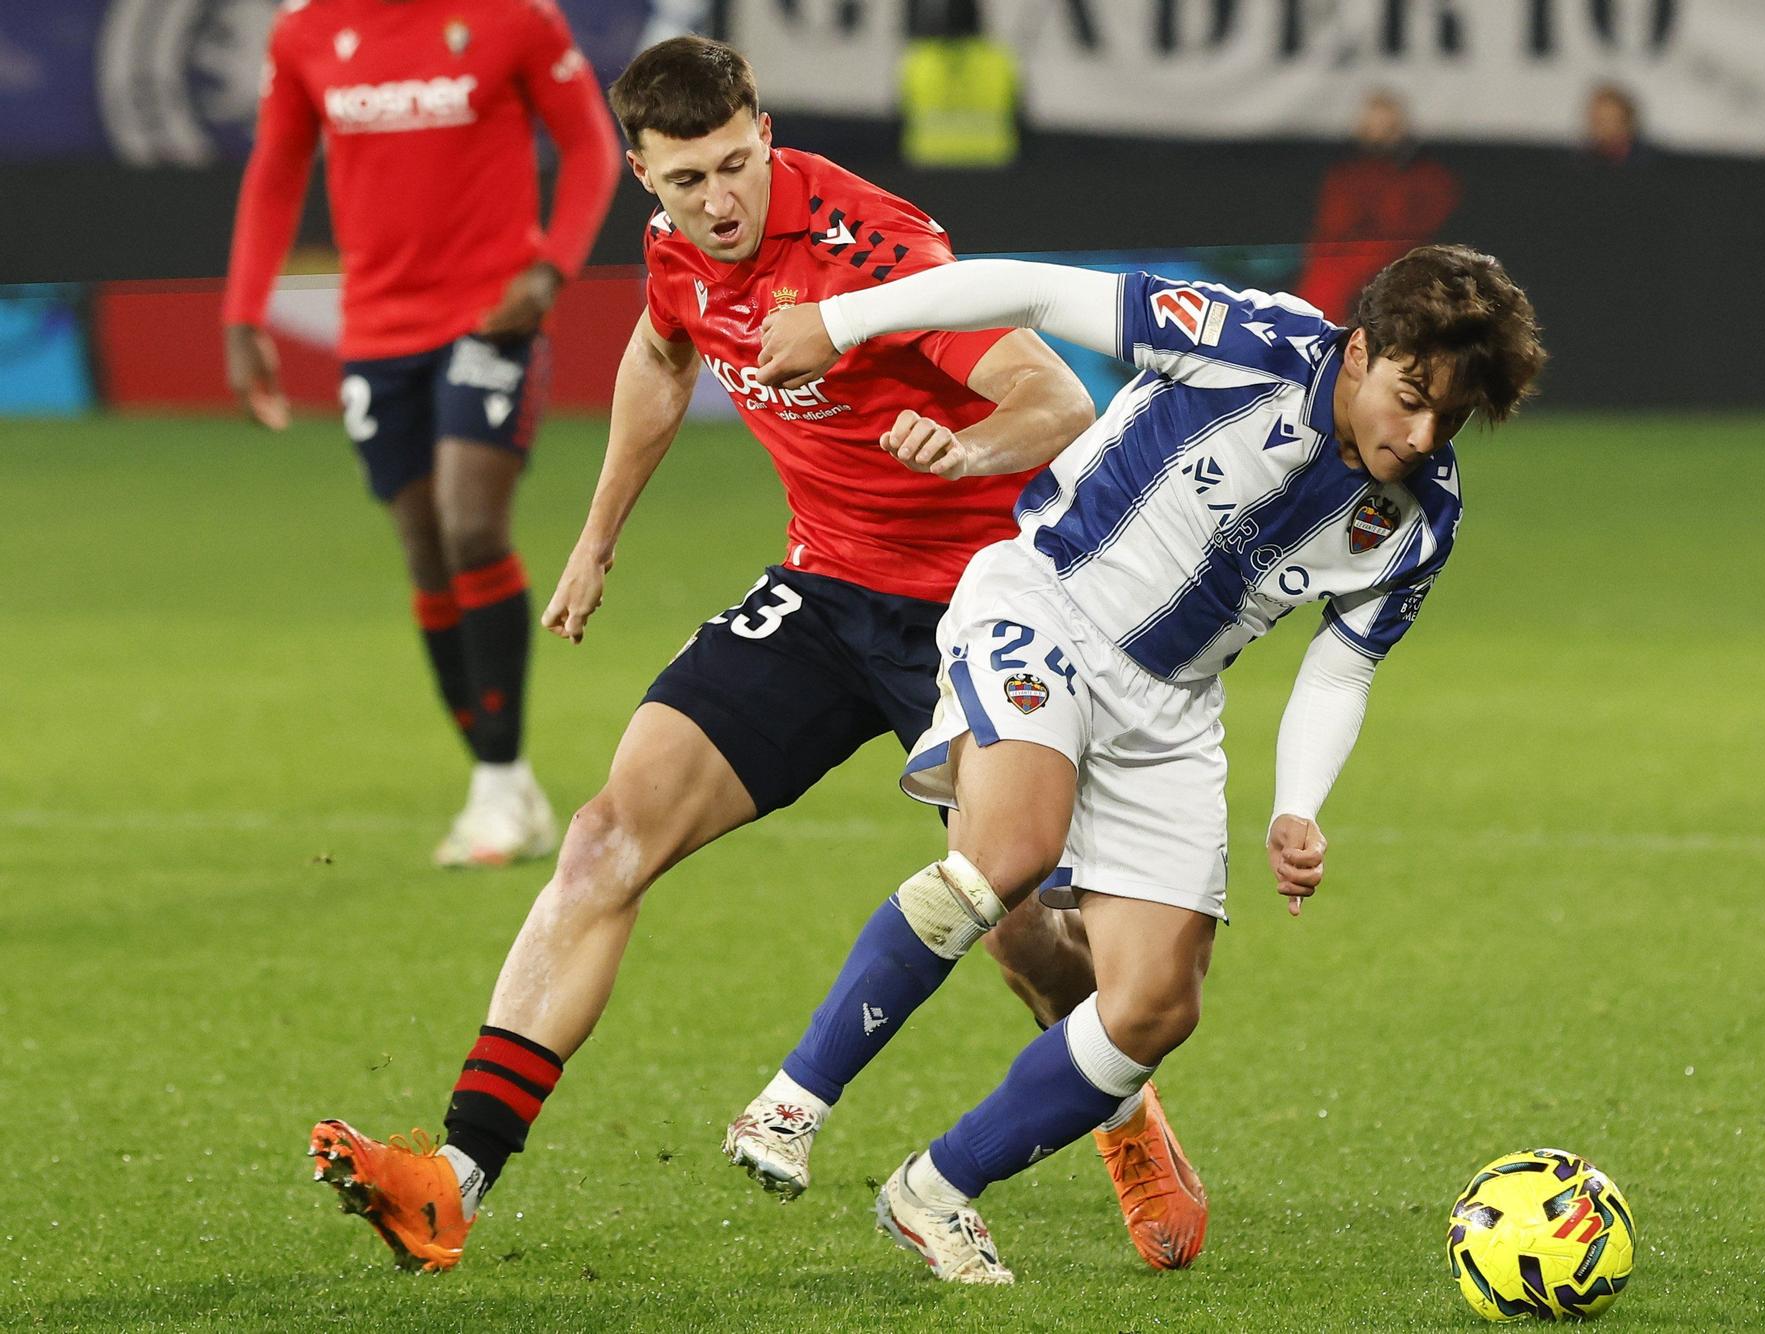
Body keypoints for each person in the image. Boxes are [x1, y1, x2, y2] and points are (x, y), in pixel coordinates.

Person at [303, 36, 1209, 1275]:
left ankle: (1116, 1107)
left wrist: (967, 449)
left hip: (982, 607)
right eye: (686, 182)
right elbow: (660, 353)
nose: (718, 202)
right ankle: (450, 1179)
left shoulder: (872, 250)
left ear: (767, 131)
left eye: (736, 166)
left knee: (1019, 929)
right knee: (604, 835)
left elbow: (1054, 399)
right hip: (825, 589)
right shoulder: (679, 248)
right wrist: (594, 539)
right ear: (642, 176)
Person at [742, 243, 1546, 1282]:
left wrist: (1296, 804)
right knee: (1011, 854)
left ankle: (932, 1190)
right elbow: (1031, 289)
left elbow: (1341, 667)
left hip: (1168, 710)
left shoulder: (1418, 520)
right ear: (1359, 351)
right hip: (1047, 607)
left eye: (1451, 417)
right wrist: (843, 323)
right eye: (1410, 397)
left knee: (1156, 1004)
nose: (1421, 435)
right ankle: (792, 1099)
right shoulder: (1245, 342)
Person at [222, 0, 622, 865]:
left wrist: (551, 270)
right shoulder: (305, 31)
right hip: (375, 331)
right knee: (424, 548)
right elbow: (277, 168)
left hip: (492, 314)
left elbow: (591, 145)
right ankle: (502, 779)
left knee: (471, 525)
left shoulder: (515, 17)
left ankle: (497, 779)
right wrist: (243, 309)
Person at [1296, 89, 1460, 323]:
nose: (1379, 132)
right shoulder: (1344, 174)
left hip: (1401, 254)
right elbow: (1332, 223)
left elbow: (1419, 221)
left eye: (1387, 125)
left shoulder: (1427, 175)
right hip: (1345, 256)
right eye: (1372, 123)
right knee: (1325, 273)